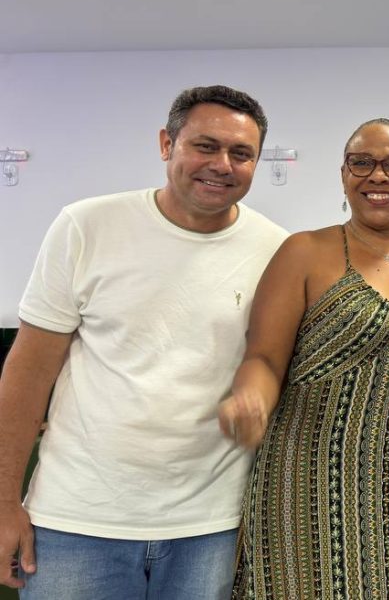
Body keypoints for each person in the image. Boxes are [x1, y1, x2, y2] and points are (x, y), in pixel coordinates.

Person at [0, 86, 287, 598]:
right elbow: (28, 371)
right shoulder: (86, 226)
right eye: (205, 146)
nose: (221, 165)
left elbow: (268, 360)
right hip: (77, 522)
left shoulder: (276, 249)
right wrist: (4, 502)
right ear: (166, 143)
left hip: (211, 528)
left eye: (241, 154)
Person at [219, 118, 389, 599]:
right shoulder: (305, 252)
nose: (378, 175)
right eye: (362, 162)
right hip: (311, 491)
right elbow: (264, 357)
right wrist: (250, 399)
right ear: (343, 174)